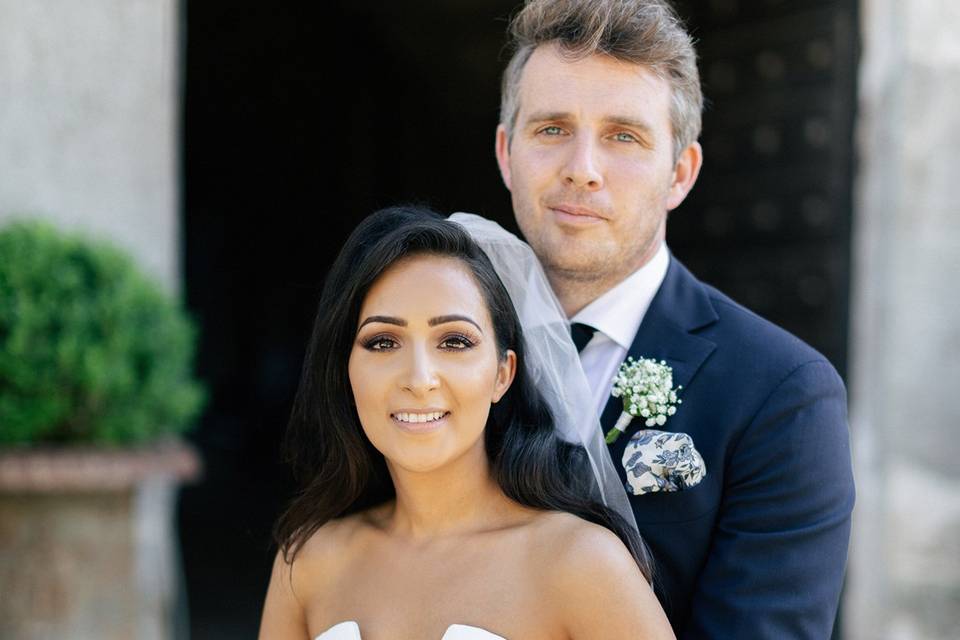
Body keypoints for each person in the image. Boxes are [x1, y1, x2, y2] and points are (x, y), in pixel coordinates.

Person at [491, 0, 856, 637]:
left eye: (623, 136)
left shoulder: (782, 394)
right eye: (551, 129)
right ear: (506, 153)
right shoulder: (427, 348)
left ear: (680, 174)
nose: (582, 168)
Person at [258, 206, 675, 639]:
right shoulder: (308, 562)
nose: (419, 379)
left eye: (454, 341)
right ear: (346, 369)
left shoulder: (582, 564)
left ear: (503, 374)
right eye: (383, 342)